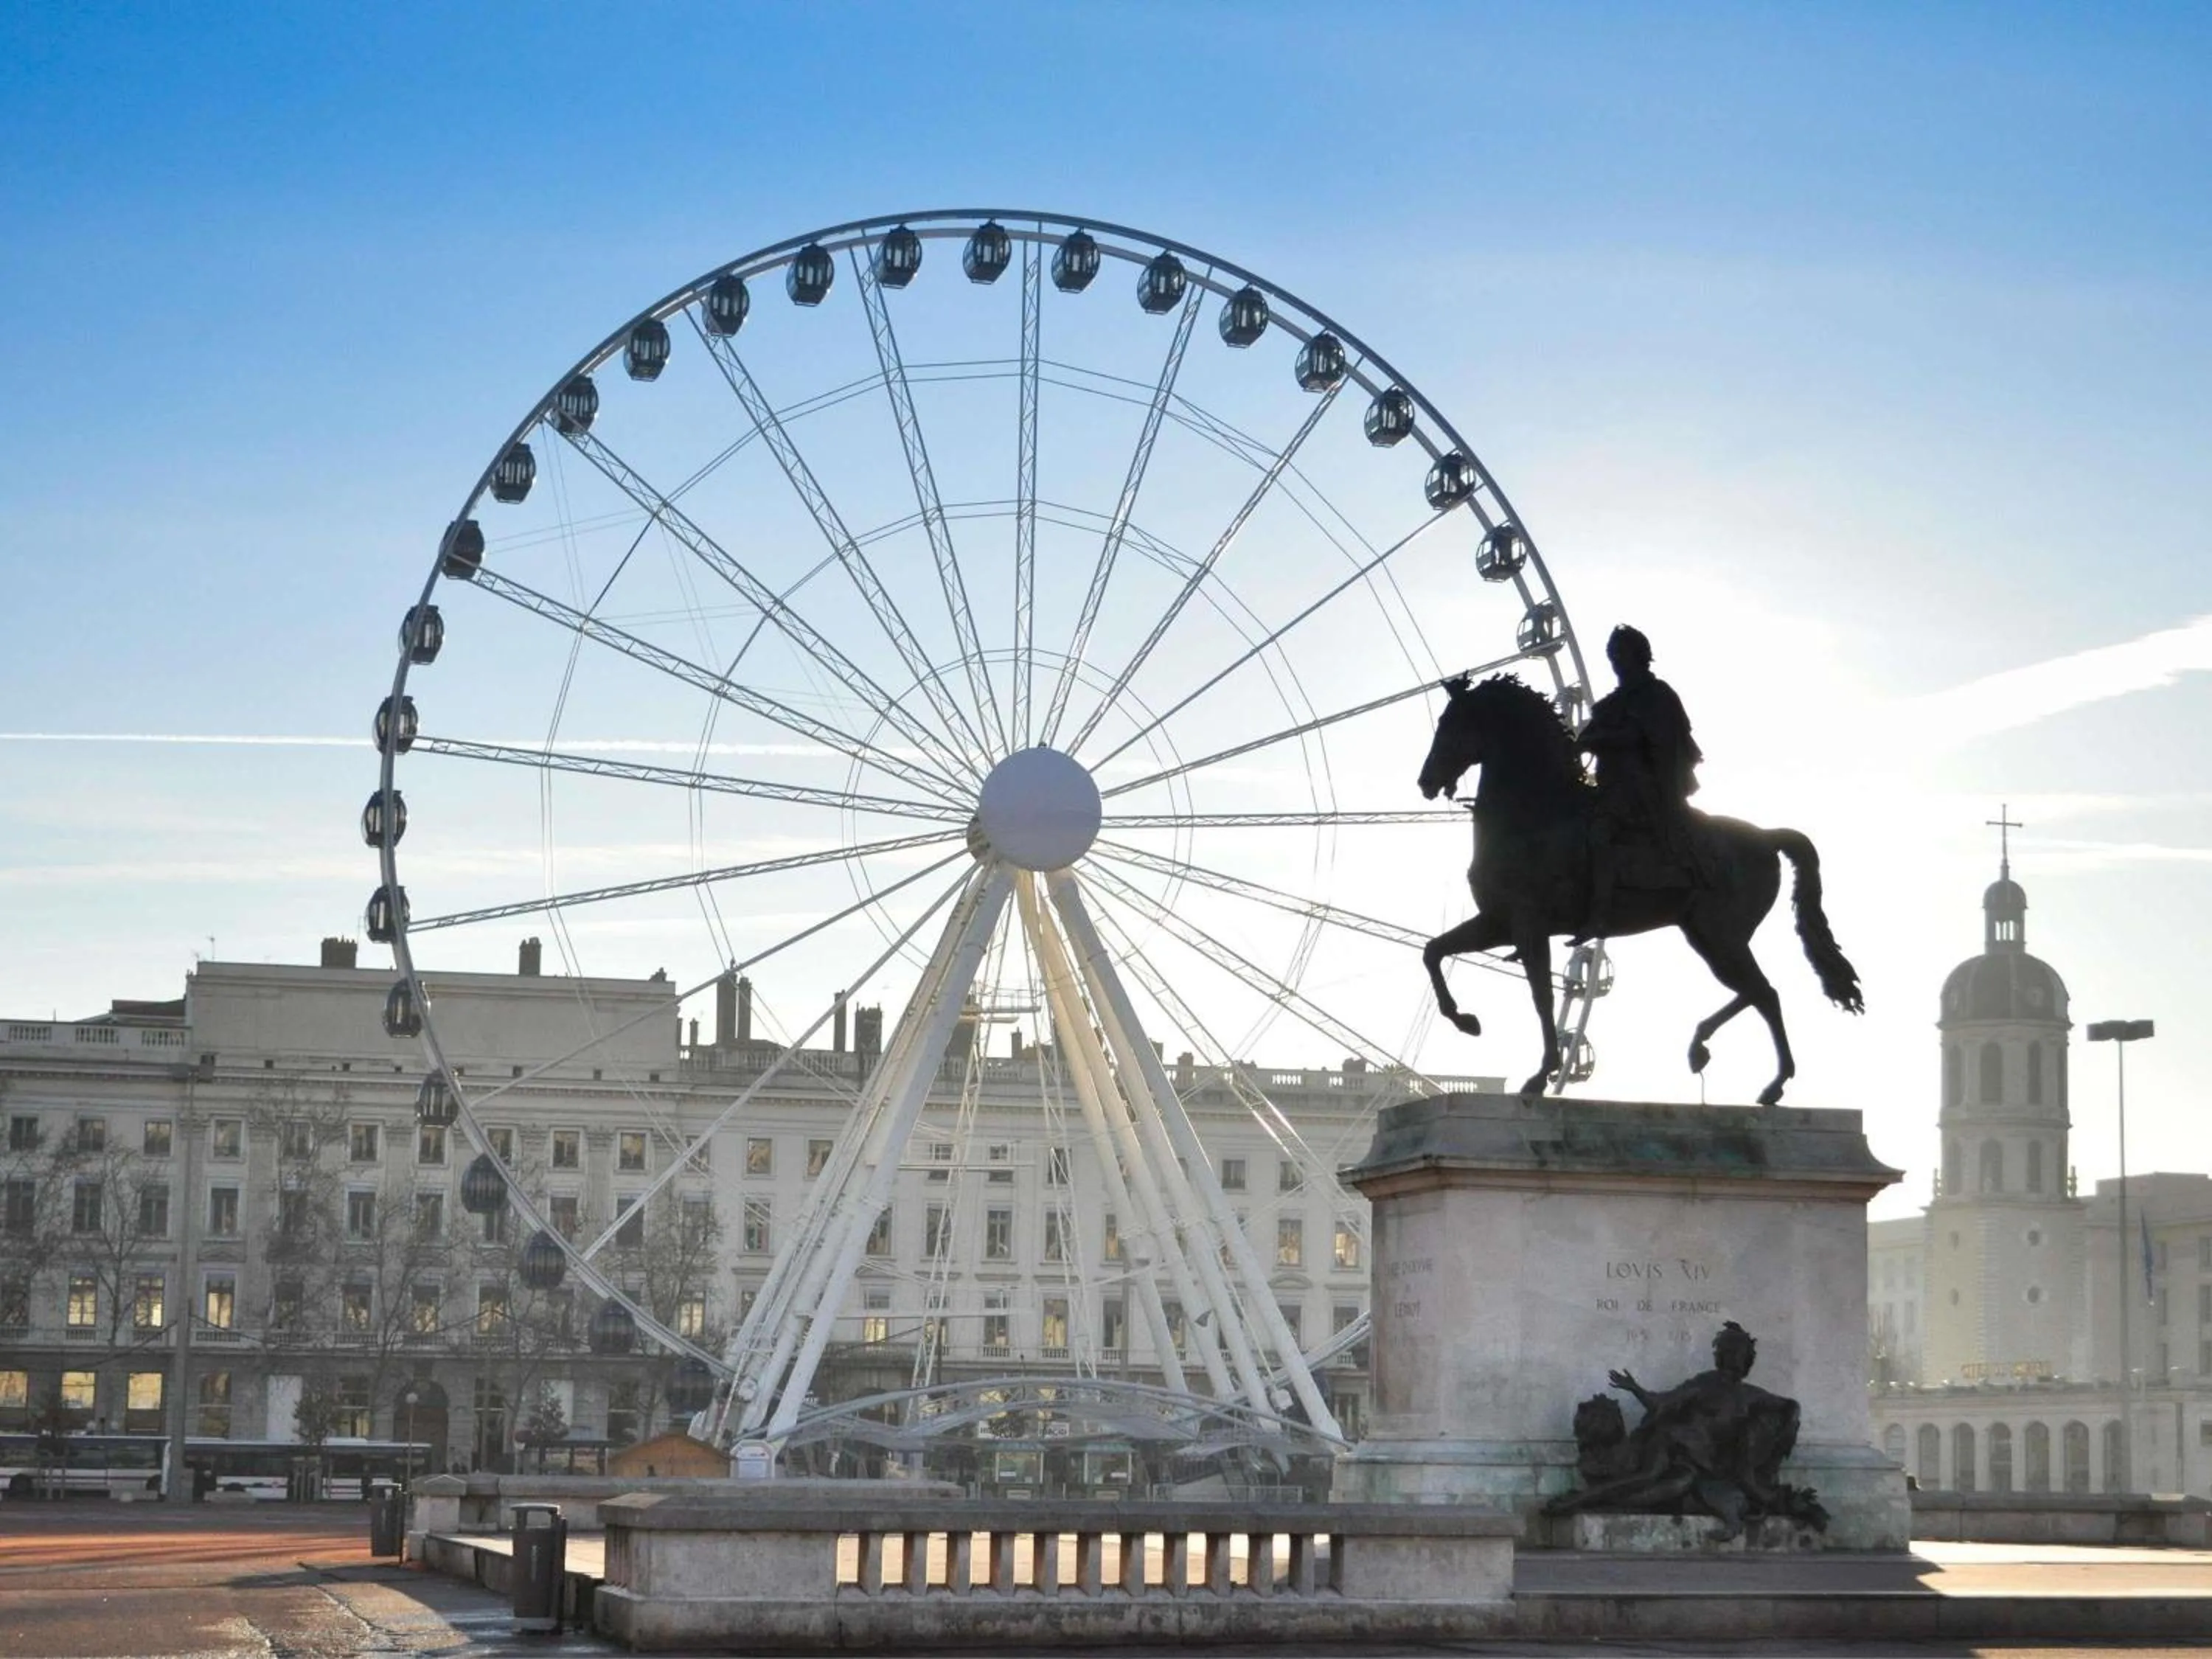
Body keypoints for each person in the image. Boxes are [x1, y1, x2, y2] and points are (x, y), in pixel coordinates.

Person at [1573, 624, 1704, 942]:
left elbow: (1647, 737)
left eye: (1621, 654)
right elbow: (1589, 734)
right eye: (1612, 655)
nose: (1616, 661)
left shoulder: (1657, 695)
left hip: (1641, 787)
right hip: (1608, 785)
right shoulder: (1611, 703)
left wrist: (1600, 739)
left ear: (1639, 657)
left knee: (1601, 834)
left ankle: (1600, 916)